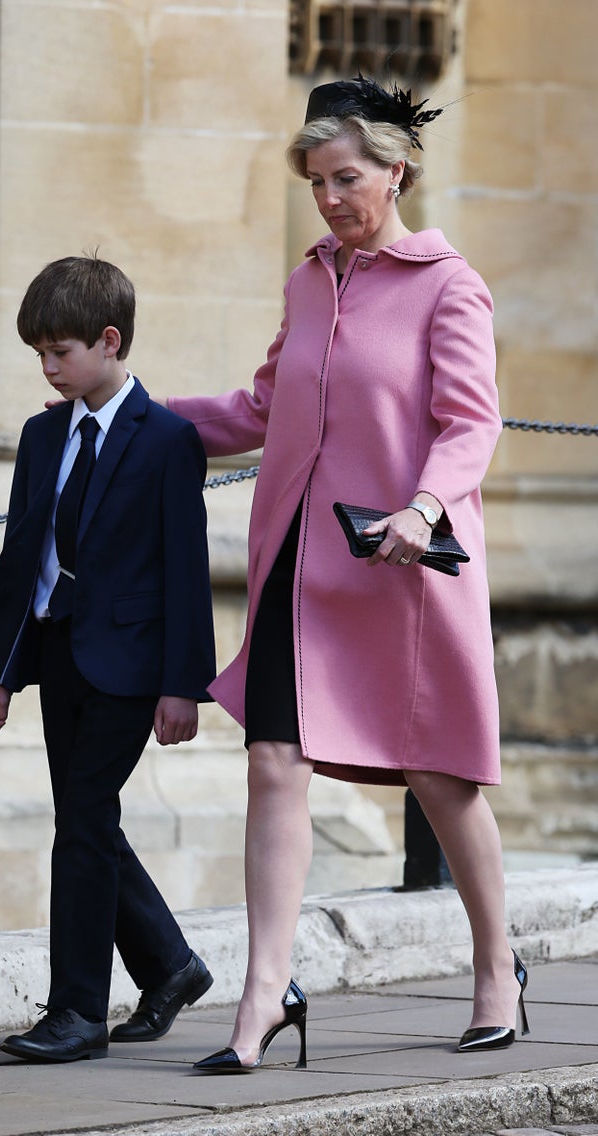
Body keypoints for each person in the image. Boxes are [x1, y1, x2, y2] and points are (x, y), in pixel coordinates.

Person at [166, 76, 529, 1071]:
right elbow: (262, 406)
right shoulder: (308, 278)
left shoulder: (447, 283)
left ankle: (497, 965)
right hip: (299, 562)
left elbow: (471, 422)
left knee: (440, 776)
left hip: (400, 561)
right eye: (316, 179)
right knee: (274, 763)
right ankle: (262, 994)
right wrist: (140, 417)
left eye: (346, 176)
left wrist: (423, 506)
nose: (329, 196)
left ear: (395, 167)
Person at [0, 255, 216, 1063]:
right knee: (86, 821)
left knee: (81, 824)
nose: (48, 368)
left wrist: (185, 685)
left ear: (109, 341)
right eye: (39, 353)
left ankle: (77, 1012)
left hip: (132, 664)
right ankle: (171, 966)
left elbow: (188, 573)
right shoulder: (44, 435)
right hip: (57, 654)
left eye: (61, 351)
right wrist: (1, 670)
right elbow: (24, 559)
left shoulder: (170, 442)